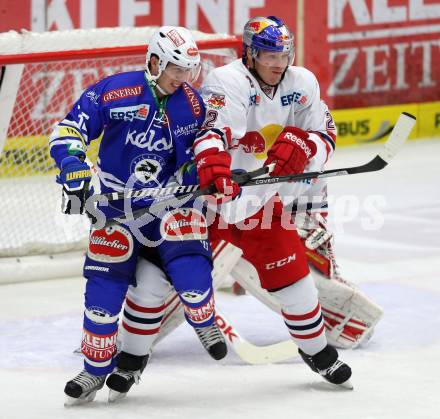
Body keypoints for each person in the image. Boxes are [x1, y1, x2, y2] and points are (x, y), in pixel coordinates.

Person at [49, 25, 227, 406]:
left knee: (189, 262)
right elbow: (68, 130)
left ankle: (203, 316)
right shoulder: (116, 90)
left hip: (166, 203)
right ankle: (94, 370)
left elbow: (200, 151)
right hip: (116, 204)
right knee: (103, 289)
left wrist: (206, 173)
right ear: (154, 61)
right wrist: (72, 162)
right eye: (176, 69)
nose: (183, 78)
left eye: (189, 70)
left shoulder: (192, 104)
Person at [192, 15, 352, 387]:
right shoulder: (226, 80)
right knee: (168, 283)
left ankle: (317, 353)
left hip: (260, 206)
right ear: (249, 54)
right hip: (209, 206)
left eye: (284, 54)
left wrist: (305, 148)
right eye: (268, 55)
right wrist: (215, 165)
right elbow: (211, 133)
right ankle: (127, 348)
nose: (278, 63)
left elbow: (323, 133)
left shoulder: (302, 81)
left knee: (296, 282)